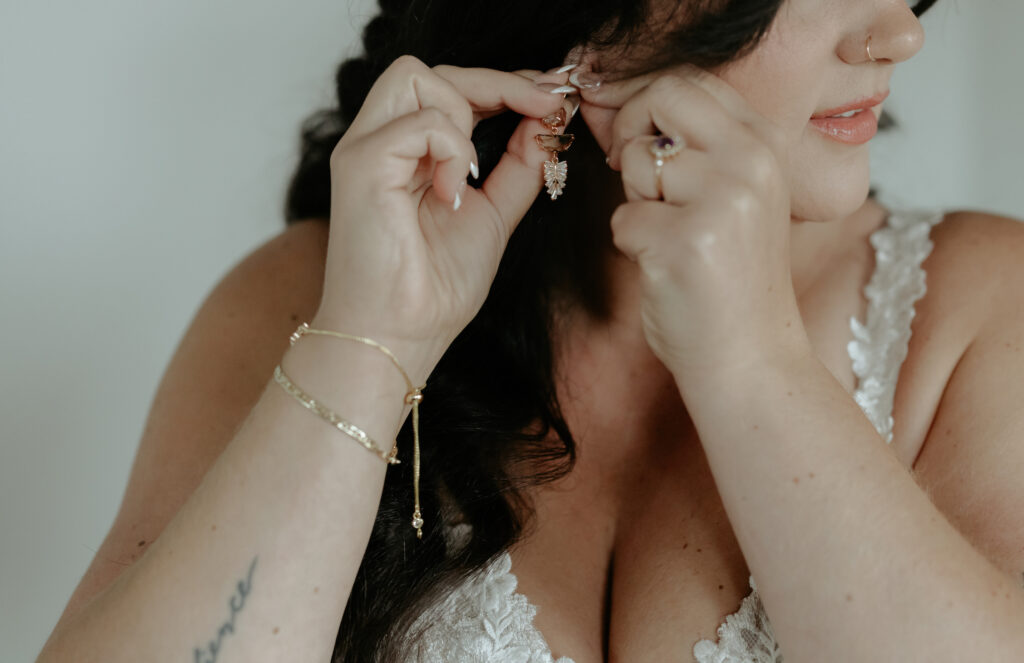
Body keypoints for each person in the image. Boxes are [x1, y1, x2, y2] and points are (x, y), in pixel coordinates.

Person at [36, 0, 1024, 661]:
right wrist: (376, 340)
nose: (898, 33)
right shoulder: (305, 299)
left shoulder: (977, 304)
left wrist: (752, 363)